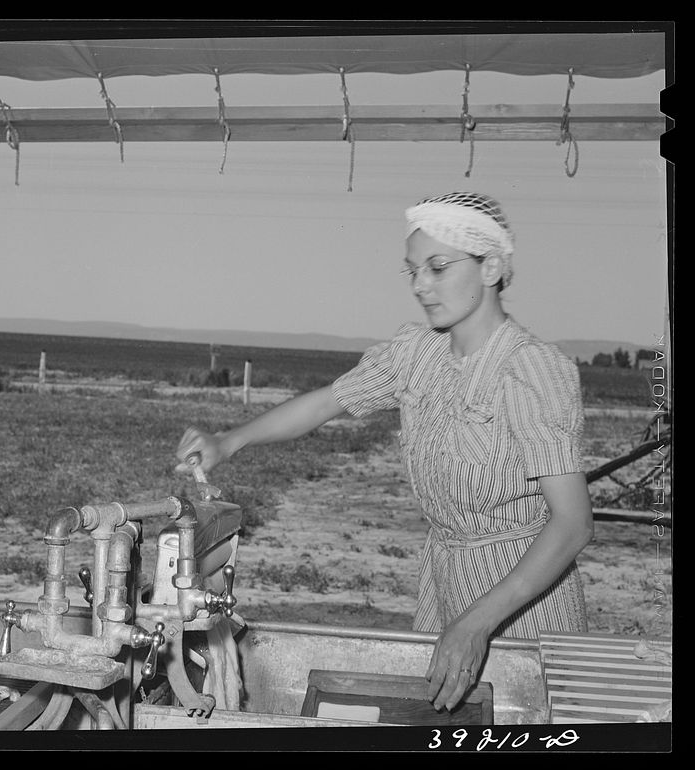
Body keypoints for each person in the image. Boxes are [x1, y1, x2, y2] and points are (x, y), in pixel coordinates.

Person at [174, 191, 594, 713]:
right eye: (413, 270)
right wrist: (229, 440)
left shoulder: (533, 372)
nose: (421, 286)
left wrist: (477, 623)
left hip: (526, 603)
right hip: (444, 587)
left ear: (491, 268)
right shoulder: (416, 355)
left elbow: (572, 524)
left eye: (438, 268)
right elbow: (326, 403)